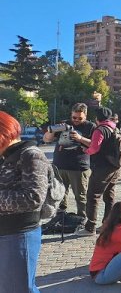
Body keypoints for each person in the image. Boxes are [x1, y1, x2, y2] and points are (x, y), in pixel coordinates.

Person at [0, 111, 49, 293]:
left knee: (19, 288)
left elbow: (33, 198)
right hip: (5, 231)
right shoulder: (4, 155)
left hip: (19, 234)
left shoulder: (31, 155)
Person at [43, 102, 95, 218]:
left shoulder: (90, 126)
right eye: (74, 117)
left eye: (79, 118)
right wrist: (52, 131)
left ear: (85, 116)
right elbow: (46, 140)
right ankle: (61, 218)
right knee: (58, 194)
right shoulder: (64, 124)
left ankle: (82, 219)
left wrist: (80, 138)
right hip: (59, 166)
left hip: (79, 167)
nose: (76, 120)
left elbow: (95, 145)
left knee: (80, 196)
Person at [76, 106, 121, 236]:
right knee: (109, 196)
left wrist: (86, 151)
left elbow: (94, 148)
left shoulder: (100, 130)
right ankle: (108, 224)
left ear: (97, 119)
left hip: (102, 167)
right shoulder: (114, 128)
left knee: (93, 196)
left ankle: (90, 227)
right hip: (114, 166)